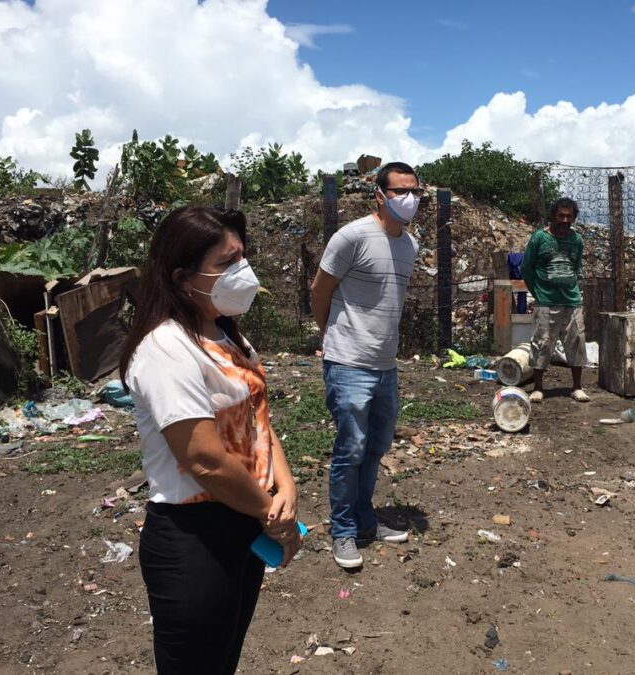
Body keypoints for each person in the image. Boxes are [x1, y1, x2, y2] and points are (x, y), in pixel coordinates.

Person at [120, 205, 302, 674]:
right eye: (227, 262)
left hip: (242, 515)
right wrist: (269, 511)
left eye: (242, 257)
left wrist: (287, 487)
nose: (242, 271)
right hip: (195, 536)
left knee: (223, 659)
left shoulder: (225, 335)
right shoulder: (165, 348)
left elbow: (257, 421)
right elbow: (204, 459)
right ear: (183, 277)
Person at [310, 161, 421, 569]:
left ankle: (365, 521)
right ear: (379, 194)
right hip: (349, 362)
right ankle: (342, 531)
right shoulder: (352, 236)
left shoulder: (410, 245)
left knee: (375, 447)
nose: (409, 199)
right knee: (351, 448)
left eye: (415, 192)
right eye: (400, 191)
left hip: (386, 366)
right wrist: (333, 337)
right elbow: (320, 292)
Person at [520, 197, 589, 402]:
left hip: (571, 300)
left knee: (576, 341)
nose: (565, 220)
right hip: (546, 301)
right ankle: (538, 387)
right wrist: (539, 292)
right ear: (553, 216)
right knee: (542, 343)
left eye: (569, 216)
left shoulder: (576, 240)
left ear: (574, 218)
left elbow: (575, 266)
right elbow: (526, 268)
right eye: (561, 216)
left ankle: (577, 387)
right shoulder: (539, 238)